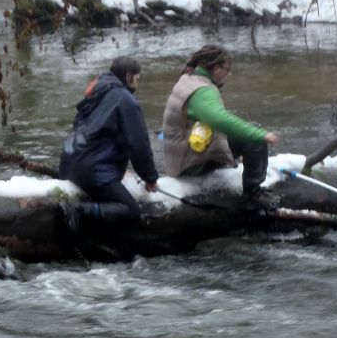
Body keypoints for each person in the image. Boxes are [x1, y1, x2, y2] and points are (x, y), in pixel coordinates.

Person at [161, 45, 279, 207]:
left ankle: (227, 162)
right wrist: (260, 135)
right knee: (254, 135)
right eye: (227, 69)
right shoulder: (203, 91)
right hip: (190, 164)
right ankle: (253, 193)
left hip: (178, 159)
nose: (229, 74)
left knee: (243, 133)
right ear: (216, 69)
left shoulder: (188, 78)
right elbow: (220, 120)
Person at [57, 56, 160, 235]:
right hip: (93, 174)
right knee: (132, 211)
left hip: (69, 166)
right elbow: (139, 146)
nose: (138, 83)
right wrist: (150, 178)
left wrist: (118, 171)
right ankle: (79, 211)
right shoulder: (125, 100)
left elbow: (95, 137)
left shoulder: (96, 94)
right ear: (128, 77)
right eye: (137, 78)